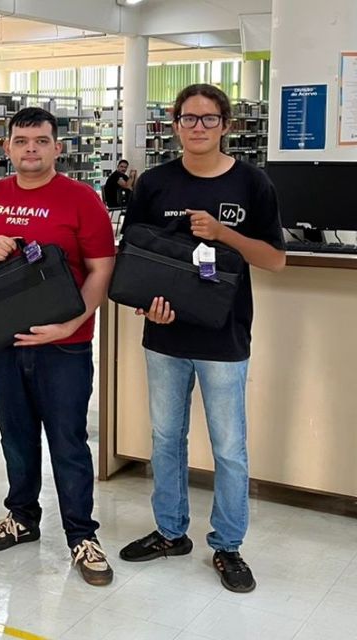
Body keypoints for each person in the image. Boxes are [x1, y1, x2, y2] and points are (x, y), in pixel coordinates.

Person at [117, 84, 285, 594]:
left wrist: (222, 232)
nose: (197, 128)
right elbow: (134, 257)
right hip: (164, 334)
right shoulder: (155, 185)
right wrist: (148, 305)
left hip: (225, 337)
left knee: (229, 448)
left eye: (208, 119)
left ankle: (228, 545)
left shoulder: (252, 184)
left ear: (226, 126)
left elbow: (275, 258)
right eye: (188, 118)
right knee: (166, 440)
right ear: (174, 124)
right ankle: (171, 532)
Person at [0, 106, 116, 587]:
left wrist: (70, 325)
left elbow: (102, 270)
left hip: (63, 345)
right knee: (15, 434)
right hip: (4, 342)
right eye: (22, 140)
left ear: (56, 148)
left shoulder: (81, 199)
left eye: (41, 141)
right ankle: (22, 517)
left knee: (67, 440)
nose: (31, 149)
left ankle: (81, 535)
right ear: (7, 147)